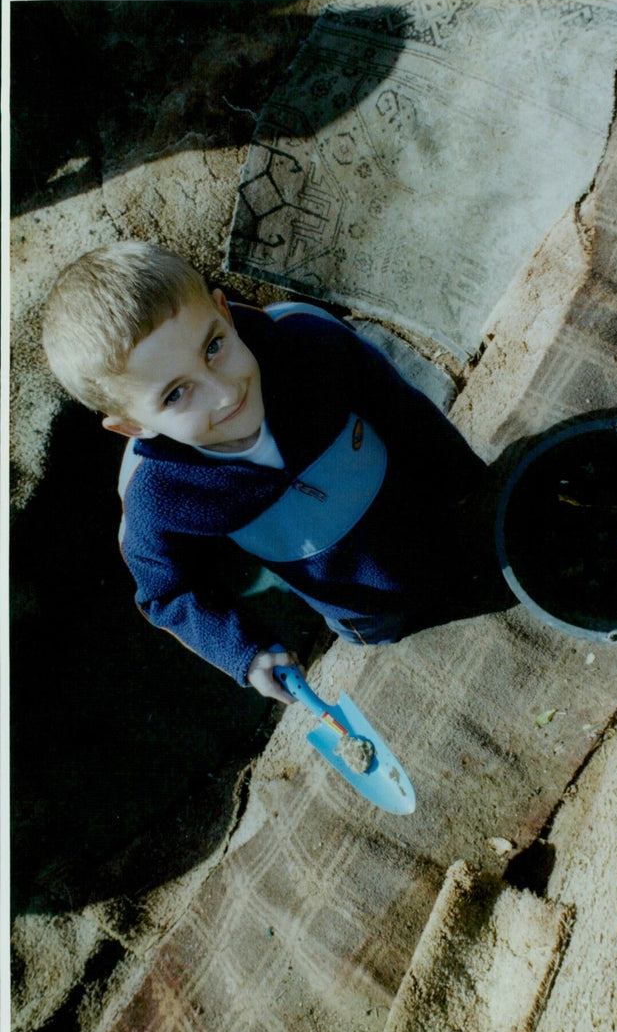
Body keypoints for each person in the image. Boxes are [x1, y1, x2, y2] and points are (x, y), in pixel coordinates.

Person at [42, 241, 504, 704]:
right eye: (176, 395)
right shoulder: (156, 495)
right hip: (364, 613)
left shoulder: (307, 342)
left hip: (443, 521)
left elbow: (400, 407)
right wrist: (244, 652)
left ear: (223, 309)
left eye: (214, 346)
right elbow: (167, 592)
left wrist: (469, 482)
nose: (224, 394)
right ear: (132, 425)